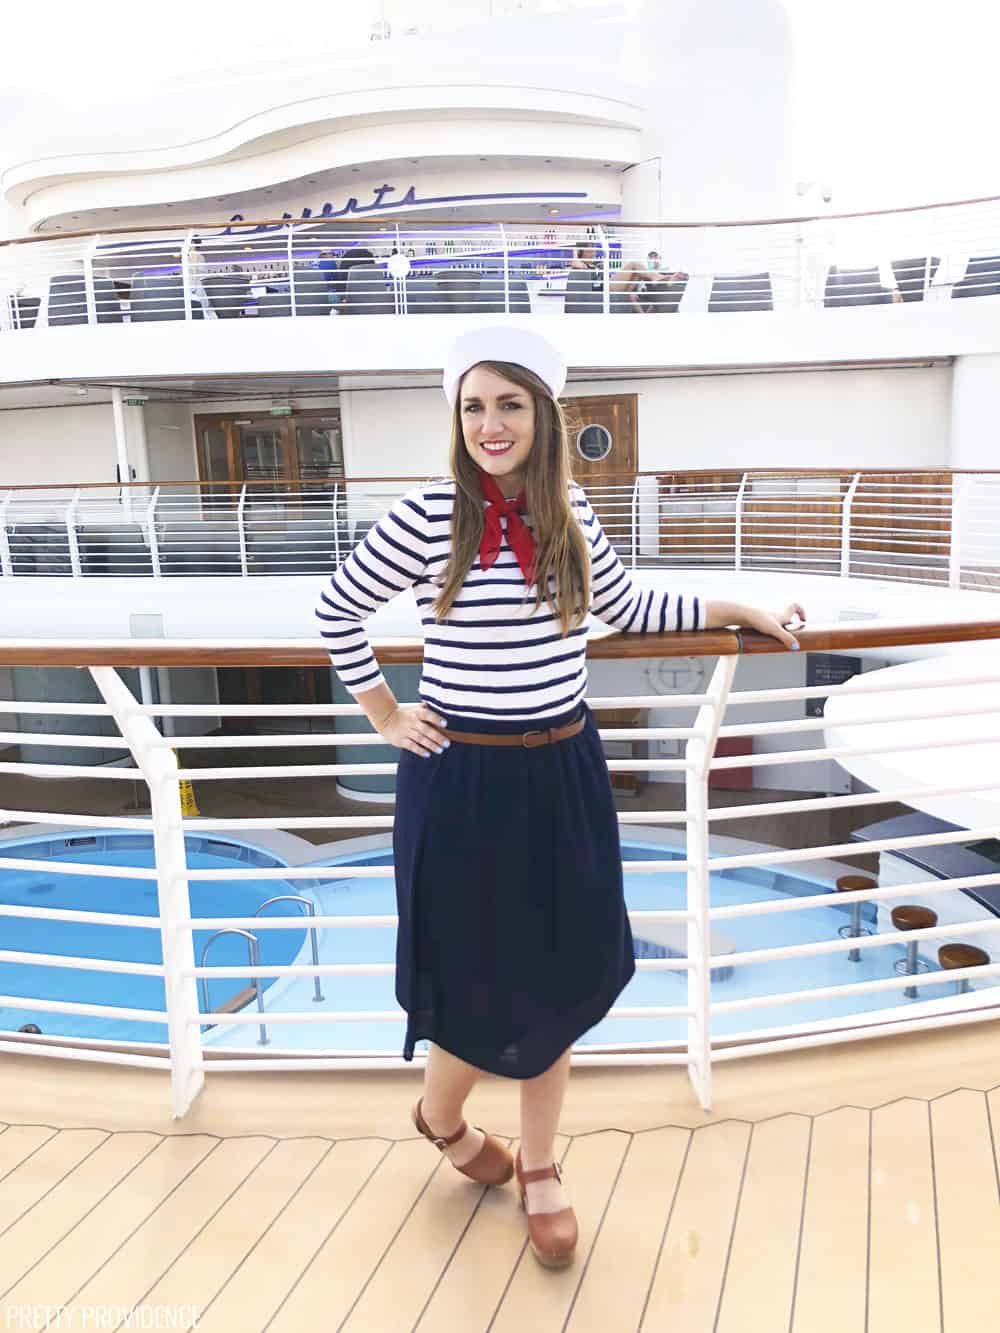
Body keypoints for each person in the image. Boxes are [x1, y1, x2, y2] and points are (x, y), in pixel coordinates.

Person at [313, 326, 804, 1270]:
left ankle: (539, 1165)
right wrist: (381, 711)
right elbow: (338, 607)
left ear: (544, 413)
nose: (490, 424)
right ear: (456, 420)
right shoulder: (428, 515)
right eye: (473, 406)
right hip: (461, 781)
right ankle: (444, 1117)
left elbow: (628, 608)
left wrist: (735, 604)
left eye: (509, 404)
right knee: (465, 976)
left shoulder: (569, 510)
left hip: (562, 773)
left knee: (557, 974)